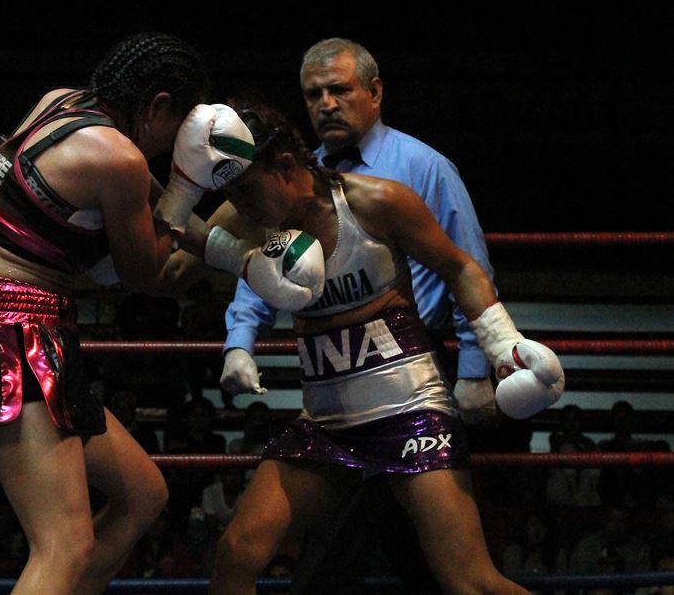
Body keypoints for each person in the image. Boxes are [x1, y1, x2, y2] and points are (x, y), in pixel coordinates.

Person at [188, 102, 565, 595]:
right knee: (236, 553)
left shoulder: (377, 201)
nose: (239, 203)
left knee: (469, 581)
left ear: (283, 167)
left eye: (244, 188)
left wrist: (500, 345)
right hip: (326, 422)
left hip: (410, 412)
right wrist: (175, 192)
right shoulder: (252, 217)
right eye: (230, 191)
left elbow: (461, 267)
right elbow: (173, 254)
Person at [0, 32, 217, 595]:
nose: (167, 148)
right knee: (63, 544)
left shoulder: (56, 101)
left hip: (9, 321)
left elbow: (145, 206)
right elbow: (146, 277)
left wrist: (224, 245)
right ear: (158, 104)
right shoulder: (119, 158)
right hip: (15, 330)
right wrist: (189, 187)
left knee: (142, 495)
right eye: (174, 131)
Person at [217, 37, 498, 593]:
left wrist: (475, 368)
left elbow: (465, 265)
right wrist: (240, 338)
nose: (326, 104)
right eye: (313, 93)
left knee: (457, 578)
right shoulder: (286, 182)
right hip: (329, 405)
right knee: (273, 557)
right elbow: (263, 264)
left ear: (373, 92)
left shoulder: (420, 169)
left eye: (339, 90)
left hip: (413, 380)